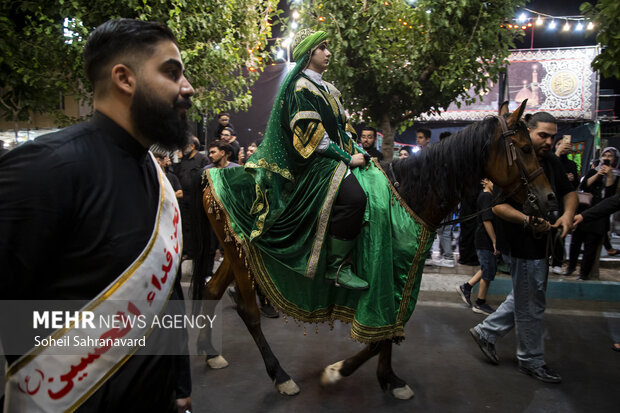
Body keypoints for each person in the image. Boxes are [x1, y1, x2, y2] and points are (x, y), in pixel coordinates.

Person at [0, 19, 193, 411]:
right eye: (171, 72)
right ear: (125, 78)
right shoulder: (47, 167)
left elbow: (167, 295)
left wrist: (179, 386)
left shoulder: (156, 176)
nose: (187, 88)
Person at [469, 112, 577, 384]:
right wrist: (527, 220)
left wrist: (566, 215)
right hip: (521, 244)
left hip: (543, 244)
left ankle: (486, 331)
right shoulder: (512, 162)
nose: (549, 141)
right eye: (543, 135)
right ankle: (531, 360)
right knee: (531, 305)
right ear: (527, 132)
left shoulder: (551, 161)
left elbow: (569, 193)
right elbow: (497, 206)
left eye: (553, 136)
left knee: (525, 295)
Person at [567, 147, 619, 279]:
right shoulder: (594, 171)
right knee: (575, 242)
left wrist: (610, 176)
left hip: (600, 216)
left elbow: (610, 196)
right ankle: (570, 267)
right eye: (604, 155)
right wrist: (598, 174)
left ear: (615, 158)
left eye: (610, 156)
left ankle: (584, 274)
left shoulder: (617, 175)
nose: (606, 158)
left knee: (591, 246)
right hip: (585, 211)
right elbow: (584, 186)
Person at [457, 179, 499, 315]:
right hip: (484, 240)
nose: (495, 184)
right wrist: (494, 241)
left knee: (486, 268)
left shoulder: (488, 196)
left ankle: (466, 287)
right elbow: (487, 221)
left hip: (484, 240)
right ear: (485, 181)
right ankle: (480, 303)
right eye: (493, 181)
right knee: (487, 272)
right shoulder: (486, 197)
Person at [174, 135, 208, 259]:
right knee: (184, 224)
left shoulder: (202, 159)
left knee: (196, 225)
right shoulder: (183, 160)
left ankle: (196, 251)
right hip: (184, 198)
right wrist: (178, 160)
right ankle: (186, 251)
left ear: (192, 146)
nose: (182, 149)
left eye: (185, 146)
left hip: (196, 198)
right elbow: (176, 174)